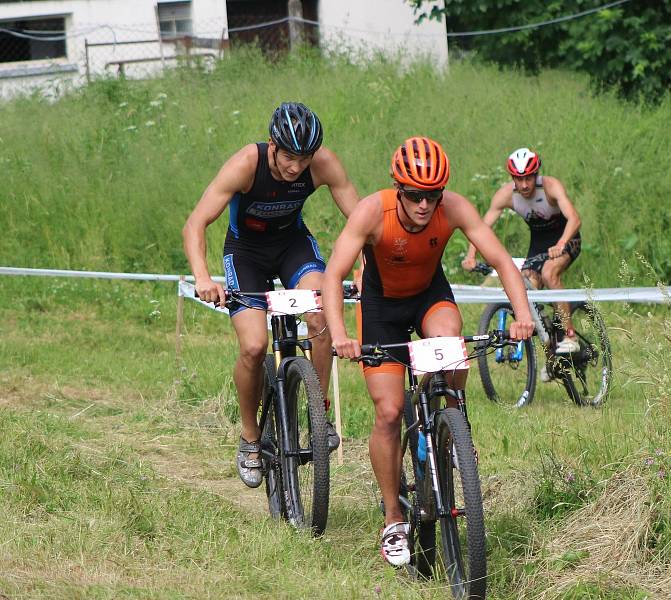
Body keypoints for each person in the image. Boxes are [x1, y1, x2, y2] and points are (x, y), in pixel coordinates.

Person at [322, 136, 533, 566]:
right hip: (381, 307)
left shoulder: (453, 208)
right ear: (399, 190)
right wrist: (341, 333)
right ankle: (393, 517)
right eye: (416, 196)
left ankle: (453, 419)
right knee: (389, 411)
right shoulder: (372, 212)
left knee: (451, 340)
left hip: (428, 296)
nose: (424, 205)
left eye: (432, 196)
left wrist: (523, 315)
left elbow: (502, 261)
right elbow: (334, 273)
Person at [183, 102, 359, 489]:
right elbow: (196, 222)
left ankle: (318, 413)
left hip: (292, 246)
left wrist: (364, 268)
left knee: (320, 318)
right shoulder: (247, 163)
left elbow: (361, 220)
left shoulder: (323, 163)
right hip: (245, 253)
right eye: (289, 157)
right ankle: (249, 438)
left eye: (304, 158)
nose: (296, 167)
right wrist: (202, 277)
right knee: (253, 345)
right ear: (271, 145)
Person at [461, 147, 582, 355]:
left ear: (536, 175)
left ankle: (570, 335)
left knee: (549, 273)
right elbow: (481, 228)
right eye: (519, 179)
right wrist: (471, 255)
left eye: (528, 178)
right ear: (512, 178)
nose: (524, 184)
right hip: (538, 245)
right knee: (524, 291)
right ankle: (552, 351)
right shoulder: (505, 195)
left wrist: (561, 244)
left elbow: (575, 219)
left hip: (565, 239)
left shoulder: (551, 187)